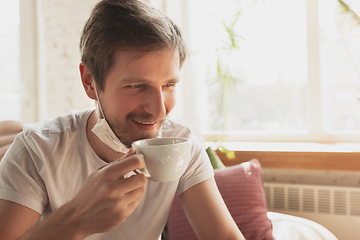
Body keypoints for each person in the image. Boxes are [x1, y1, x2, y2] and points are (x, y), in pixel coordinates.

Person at [0, 0, 245, 239]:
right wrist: (76, 220)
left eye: (168, 85)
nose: (159, 109)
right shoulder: (35, 150)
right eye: (137, 85)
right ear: (90, 82)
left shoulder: (181, 146)